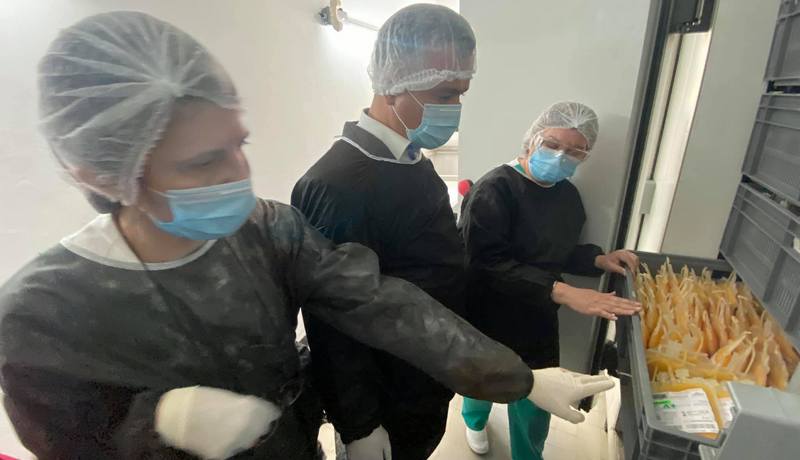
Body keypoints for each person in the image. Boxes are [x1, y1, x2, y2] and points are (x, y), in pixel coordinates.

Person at [0, 13, 613, 460]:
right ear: (101, 172)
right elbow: (69, 438)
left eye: (239, 145)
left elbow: (379, 303)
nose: (239, 177)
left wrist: (519, 377)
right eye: (203, 161)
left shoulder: (268, 229)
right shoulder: (41, 313)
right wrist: (158, 424)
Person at [292, 5, 473, 459]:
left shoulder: (408, 159)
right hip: (385, 401)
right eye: (445, 94)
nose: (455, 109)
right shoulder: (338, 184)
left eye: (461, 94)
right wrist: (360, 426)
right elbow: (333, 320)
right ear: (394, 83)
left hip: (422, 379)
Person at [458, 101, 642, 460]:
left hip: (537, 313)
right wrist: (562, 291)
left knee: (538, 394)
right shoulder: (495, 189)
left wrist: (598, 259)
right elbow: (485, 263)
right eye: (553, 144)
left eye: (574, 151)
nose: (561, 156)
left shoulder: (567, 196)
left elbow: (559, 251)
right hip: (488, 307)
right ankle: (474, 421)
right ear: (532, 140)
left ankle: (528, 454)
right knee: (483, 375)